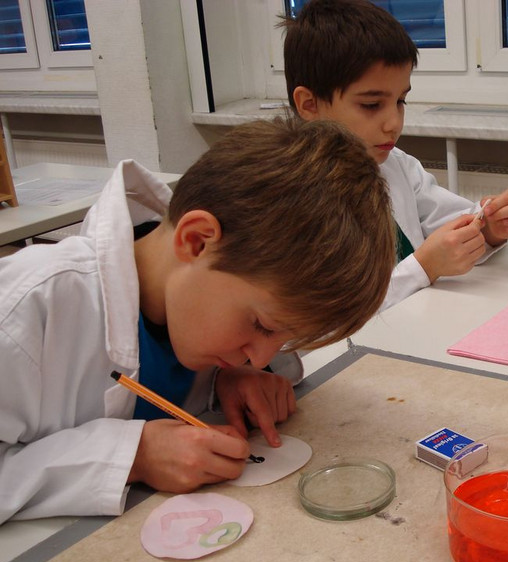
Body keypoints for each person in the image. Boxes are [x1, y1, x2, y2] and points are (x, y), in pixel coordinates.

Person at [0, 117, 395, 523]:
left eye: (283, 339)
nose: (261, 358)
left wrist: (227, 380)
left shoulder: (207, 293)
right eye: (261, 326)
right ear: (196, 241)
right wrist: (132, 456)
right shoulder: (26, 308)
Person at [281, 0, 508, 310]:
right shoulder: (288, 198)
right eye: (372, 105)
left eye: (401, 101)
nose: (394, 123)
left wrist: (490, 228)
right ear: (309, 105)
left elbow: (451, 226)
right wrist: (424, 267)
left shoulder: (396, 165)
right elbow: (330, 314)